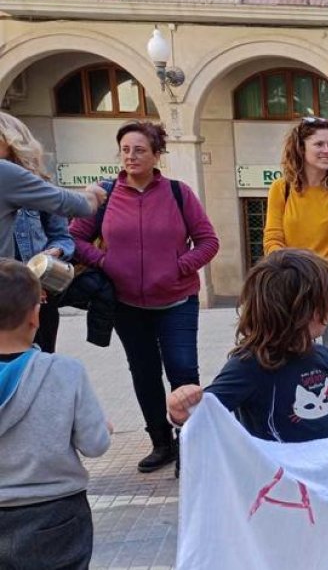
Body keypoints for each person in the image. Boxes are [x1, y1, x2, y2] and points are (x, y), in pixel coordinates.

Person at [69, 121, 219, 474]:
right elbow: (74, 238)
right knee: (144, 373)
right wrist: (103, 261)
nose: (131, 156)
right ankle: (160, 442)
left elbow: (208, 241)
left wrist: (179, 267)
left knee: (183, 372)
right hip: (126, 305)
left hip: (177, 301)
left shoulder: (179, 193)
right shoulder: (104, 195)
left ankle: (190, 442)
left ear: (156, 155)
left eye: (139, 150)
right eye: (125, 149)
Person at [167, 249, 328, 441]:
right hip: (283, 494)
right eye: (327, 299)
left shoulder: (322, 355)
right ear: (300, 310)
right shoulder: (248, 366)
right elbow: (205, 415)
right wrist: (180, 412)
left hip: (326, 479)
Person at [0, 259, 110, 570]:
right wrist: (101, 425)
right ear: (35, 315)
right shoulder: (64, 372)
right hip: (56, 515)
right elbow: (95, 444)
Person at [263, 116, 328, 381]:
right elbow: (273, 240)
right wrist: (296, 273)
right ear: (300, 148)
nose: (327, 151)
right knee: (292, 362)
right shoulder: (281, 189)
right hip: (295, 287)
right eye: (319, 144)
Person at [0, 116, 76, 353]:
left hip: (37, 296)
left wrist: (53, 256)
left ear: (13, 144)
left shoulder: (41, 188)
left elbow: (63, 238)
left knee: (37, 367)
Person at [0, 111, 106, 260]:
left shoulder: (38, 183)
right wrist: (92, 195)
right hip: (12, 280)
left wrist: (59, 250)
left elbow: (63, 237)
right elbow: (77, 204)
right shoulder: (4, 172)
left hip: (33, 278)